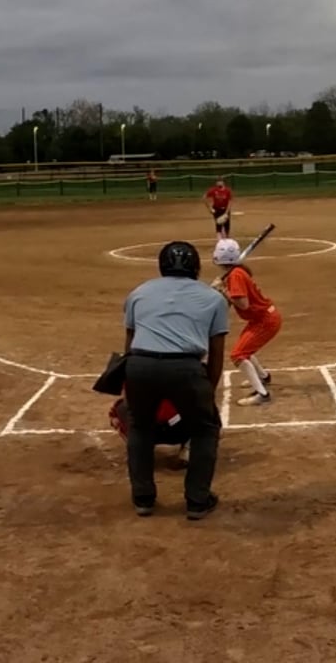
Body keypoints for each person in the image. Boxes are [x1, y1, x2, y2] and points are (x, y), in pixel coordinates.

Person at [121, 241, 227, 519]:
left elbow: (129, 344)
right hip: (186, 369)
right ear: (196, 267)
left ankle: (143, 498)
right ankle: (197, 501)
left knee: (140, 427)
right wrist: (208, 392)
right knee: (205, 429)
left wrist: (131, 379)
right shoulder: (214, 299)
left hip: (140, 364)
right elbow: (216, 352)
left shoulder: (138, 293)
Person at [213, 238, 281, 406]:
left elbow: (243, 304)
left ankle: (262, 395)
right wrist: (221, 290)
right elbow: (231, 303)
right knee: (244, 349)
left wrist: (222, 290)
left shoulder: (235, 275)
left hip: (265, 321)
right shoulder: (237, 273)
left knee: (238, 354)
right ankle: (263, 377)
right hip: (261, 318)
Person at [204, 176, 233, 241]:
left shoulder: (227, 190)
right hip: (217, 209)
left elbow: (230, 201)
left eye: (220, 181)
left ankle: (227, 239)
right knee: (218, 225)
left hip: (225, 209)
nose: (219, 183)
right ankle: (219, 240)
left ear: (223, 182)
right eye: (218, 181)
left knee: (227, 225)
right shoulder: (213, 190)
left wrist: (226, 212)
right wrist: (210, 208)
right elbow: (204, 197)